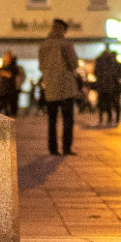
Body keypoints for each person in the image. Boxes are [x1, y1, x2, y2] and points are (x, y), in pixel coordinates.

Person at [39, 20, 82, 155]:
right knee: (67, 119)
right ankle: (66, 148)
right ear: (63, 29)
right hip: (65, 88)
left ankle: (53, 148)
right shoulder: (66, 44)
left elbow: (41, 66)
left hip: (50, 87)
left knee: (52, 120)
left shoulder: (44, 45)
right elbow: (73, 63)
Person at [94, 45, 121, 126]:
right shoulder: (113, 62)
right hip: (111, 86)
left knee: (102, 103)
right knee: (111, 103)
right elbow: (118, 75)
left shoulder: (99, 61)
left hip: (102, 86)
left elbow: (95, 73)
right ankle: (111, 119)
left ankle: (102, 119)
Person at [0, 51, 23, 117]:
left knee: (12, 107)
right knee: (5, 106)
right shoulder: (3, 66)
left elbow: (11, 74)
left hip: (12, 89)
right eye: (6, 56)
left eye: (9, 56)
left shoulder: (13, 67)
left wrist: (3, 73)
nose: (7, 58)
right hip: (4, 90)